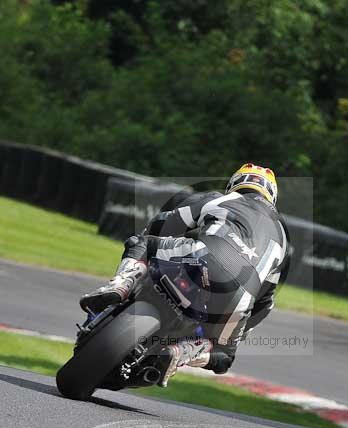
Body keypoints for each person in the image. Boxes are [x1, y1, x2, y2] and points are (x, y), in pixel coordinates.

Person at [80, 163, 288, 386]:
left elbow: (165, 223)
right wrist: (238, 328)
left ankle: (121, 285)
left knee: (141, 243)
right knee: (224, 356)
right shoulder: (283, 238)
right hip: (242, 294)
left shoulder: (221, 199)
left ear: (234, 184)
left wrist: (153, 237)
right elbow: (266, 302)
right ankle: (183, 351)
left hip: (202, 257)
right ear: (272, 196)